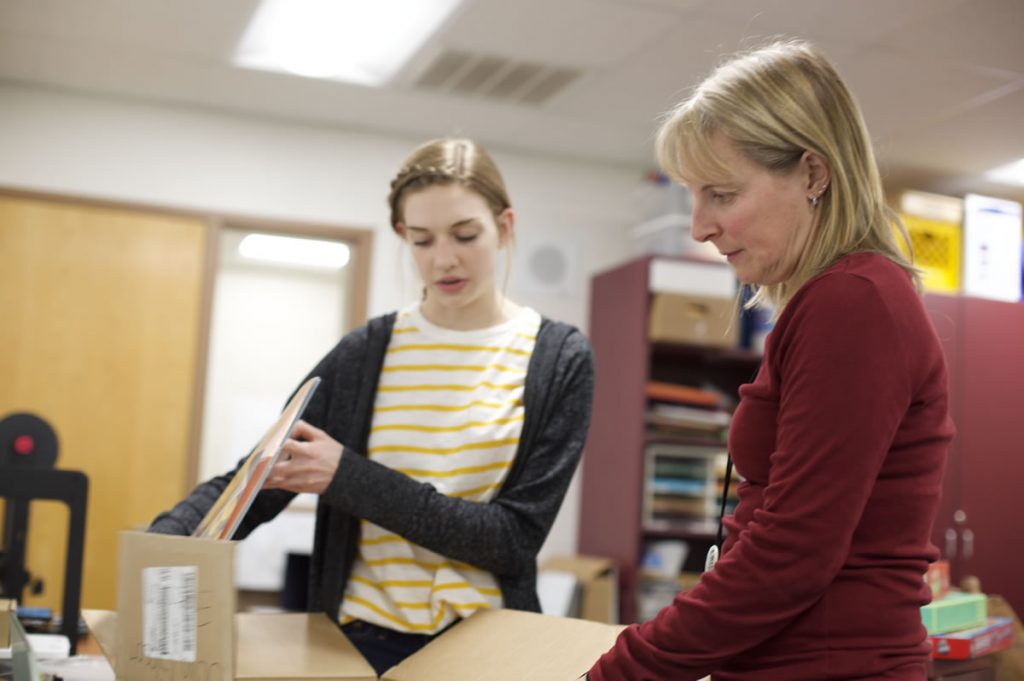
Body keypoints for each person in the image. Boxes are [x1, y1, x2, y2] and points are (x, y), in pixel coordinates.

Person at [149, 138, 594, 675]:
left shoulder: (559, 358)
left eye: (465, 235)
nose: (443, 259)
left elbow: (512, 541)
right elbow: (256, 479)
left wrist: (349, 477)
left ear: (504, 226)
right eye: (422, 240)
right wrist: (163, 546)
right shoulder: (365, 353)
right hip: (358, 646)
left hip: (490, 649)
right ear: (403, 236)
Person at [587, 40, 954, 680]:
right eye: (693, 196)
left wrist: (621, 670)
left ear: (813, 174)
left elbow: (791, 552)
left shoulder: (853, 303)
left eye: (722, 194)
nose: (699, 226)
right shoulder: (833, 300)